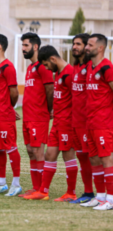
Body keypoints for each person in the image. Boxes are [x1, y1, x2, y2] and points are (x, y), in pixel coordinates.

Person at [25, 46, 78, 201]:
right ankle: (43, 191)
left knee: (69, 157)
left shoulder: (69, 74)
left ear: (53, 59)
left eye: (47, 65)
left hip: (67, 123)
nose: (47, 68)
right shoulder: (59, 73)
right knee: (49, 155)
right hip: (57, 122)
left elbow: (77, 99)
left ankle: (71, 193)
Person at [79, 34, 113, 210]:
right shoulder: (91, 67)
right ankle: (100, 197)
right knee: (94, 158)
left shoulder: (107, 67)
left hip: (103, 123)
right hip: (90, 122)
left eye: (90, 45)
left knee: (107, 159)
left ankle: (111, 198)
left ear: (100, 48)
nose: (86, 47)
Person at [0, 34, 22, 196]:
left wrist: (8, 108)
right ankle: (1, 183)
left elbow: (14, 93)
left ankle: (16, 184)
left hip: (3, 117)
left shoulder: (8, 67)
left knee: (10, 148)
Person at [19, 33, 54, 198]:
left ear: (35, 47)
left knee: (38, 151)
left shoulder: (42, 66)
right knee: (30, 150)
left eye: (26, 45)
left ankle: (42, 191)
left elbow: (50, 89)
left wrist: (49, 109)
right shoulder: (30, 67)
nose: (23, 49)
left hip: (39, 117)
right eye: (22, 45)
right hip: (28, 116)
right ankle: (35, 187)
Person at [69, 34, 95, 204]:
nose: (74, 47)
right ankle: (88, 192)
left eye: (78, 44)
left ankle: (101, 194)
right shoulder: (76, 67)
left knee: (94, 158)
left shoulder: (92, 67)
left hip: (89, 121)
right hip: (75, 121)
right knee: (82, 157)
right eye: (73, 44)